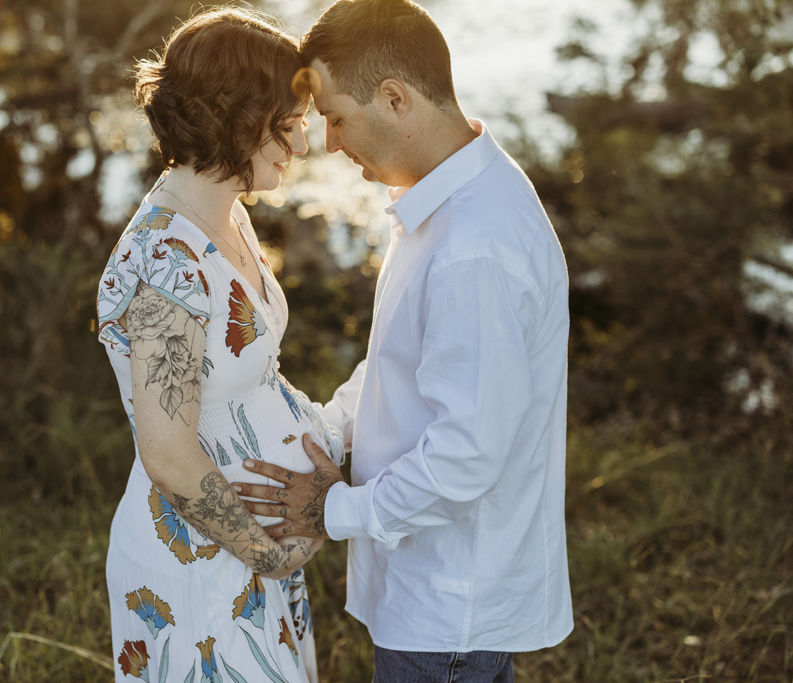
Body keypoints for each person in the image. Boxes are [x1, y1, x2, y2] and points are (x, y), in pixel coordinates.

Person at [235, 1, 574, 681]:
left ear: (394, 99)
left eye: (335, 117)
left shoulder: (474, 244)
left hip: (449, 606)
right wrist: (324, 429)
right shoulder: (448, 201)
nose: (328, 141)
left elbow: (467, 455)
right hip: (430, 596)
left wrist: (335, 509)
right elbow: (404, 363)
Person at [95, 8, 345, 683]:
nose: (298, 135)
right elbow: (170, 454)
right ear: (232, 117)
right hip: (200, 564)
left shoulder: (224, 213)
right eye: (284, 119)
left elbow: (254, 376)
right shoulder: (162, 261)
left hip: (246, 551)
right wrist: (267, 553)